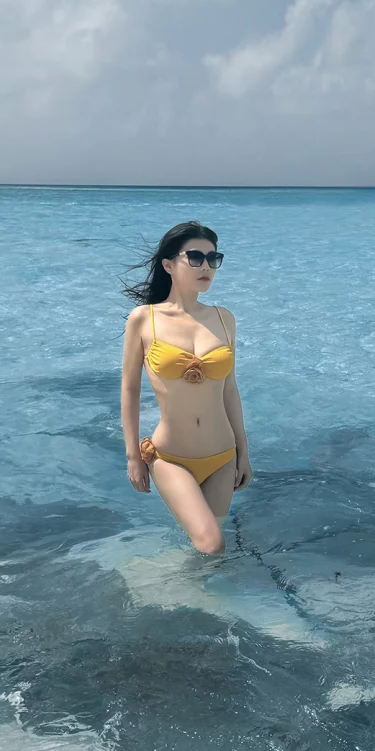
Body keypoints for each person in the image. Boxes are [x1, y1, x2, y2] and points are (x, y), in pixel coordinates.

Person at [121, 221, 252, 554]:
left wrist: (244, 453)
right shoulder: (144, 319)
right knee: (212, 543)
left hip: (223, 456)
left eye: (213, 258)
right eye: (195, 257)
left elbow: (229, 391)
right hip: (170, 457)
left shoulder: (224, 319)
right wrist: (133, 456)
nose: (206, 266)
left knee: (206, 553)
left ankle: (178, 584)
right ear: (168, 265)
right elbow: (130, 391)